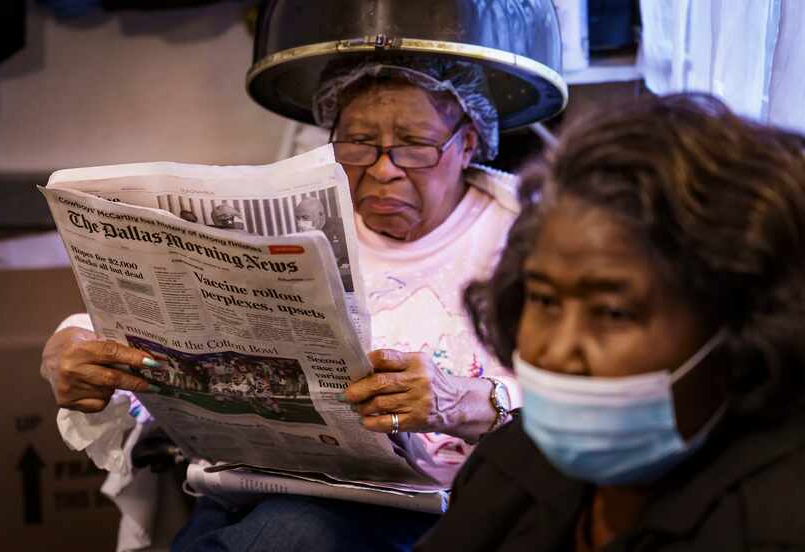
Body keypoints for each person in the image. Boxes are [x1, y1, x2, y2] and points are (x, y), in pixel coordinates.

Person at [41, 55, 529, 552]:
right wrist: (71, 346)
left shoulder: (525, 238)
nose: (384, 169)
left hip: (428, 506)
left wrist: (469, 402)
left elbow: (591, 396)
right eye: (359, 143)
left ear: (467, 143)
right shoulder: (297, 218)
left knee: (294, 534)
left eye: (415, 145)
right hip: (252, 489)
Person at [417, 93, 805, 551]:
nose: (557, 350)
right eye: (544, 300)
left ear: (738, 326)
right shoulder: (512, 466)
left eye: (612, 313)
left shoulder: (774, 525)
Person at [293, 196, 353, 291]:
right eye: (298, 218)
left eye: (305, 218)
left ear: (321, 215)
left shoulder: (342, 227)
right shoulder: (305, 234)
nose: (300, 224)